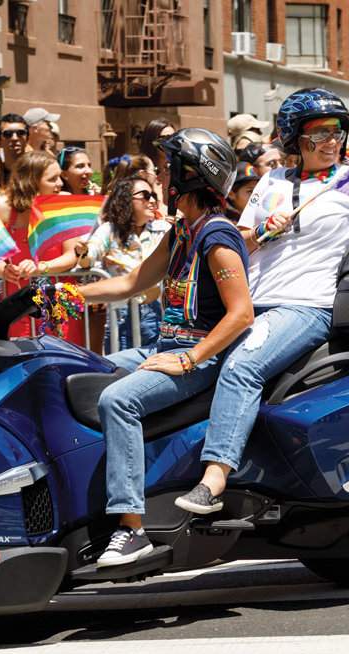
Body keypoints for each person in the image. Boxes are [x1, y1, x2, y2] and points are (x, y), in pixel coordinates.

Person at [173, 88, 349, 514]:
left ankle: (214, 478)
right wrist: (261, 233)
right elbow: (239, 243)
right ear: (296, 138)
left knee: (242, 368)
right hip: (246, 306)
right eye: (319, 133)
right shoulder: (271, 182)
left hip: (305, 306)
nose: (331, 141)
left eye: (336, 131)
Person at [79, 129, 252, 565]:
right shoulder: (180, 232)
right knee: (76, 369)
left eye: (168, 169)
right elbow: (133, 282)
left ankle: (131, 528)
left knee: (118, 400)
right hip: (164, 346)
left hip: (198, 358)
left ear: (189, 178)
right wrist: (60, 293)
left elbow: (241, 314)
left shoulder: (216, 237)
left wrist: (189, 359)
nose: (160, 178)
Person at [83, 174, 170, 352]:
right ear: (126, 200)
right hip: (119, 315)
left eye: (153, 195)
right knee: (121, 369)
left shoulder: (164, 230)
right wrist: (81, 251)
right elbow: (88, 258)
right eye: (145, 195)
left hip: (155, 312)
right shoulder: (109, 230)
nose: (152, 200)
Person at [0, 151, 64, 338]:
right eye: (52, 179)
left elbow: (72, 255)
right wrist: (3, 270)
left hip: (57, 303)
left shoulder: (64, 204)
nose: (60, 184)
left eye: (60, 177)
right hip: (17, 303)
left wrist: (40, 268)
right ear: (32, 181)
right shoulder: (2, 207)